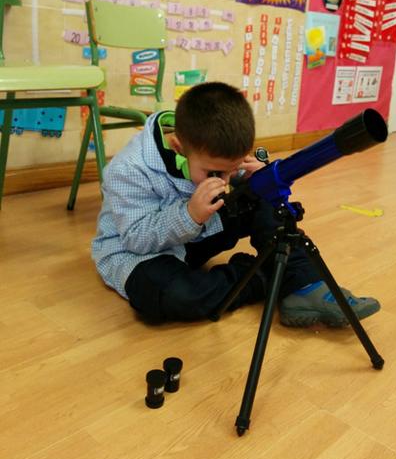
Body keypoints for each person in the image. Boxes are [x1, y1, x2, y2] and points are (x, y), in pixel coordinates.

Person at [92, 82, 380, 327]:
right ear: (179, 147)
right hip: (140, 253)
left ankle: (303, 284)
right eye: (216, 173)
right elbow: (135, 238)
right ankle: (266, 275)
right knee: (170, 296)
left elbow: (234, 175)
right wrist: (189, 214)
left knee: (263, 190)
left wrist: (254, 173)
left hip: (196, 233)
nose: (226, 179)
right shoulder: (127, 169)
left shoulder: (212, 153)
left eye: (232, 169)